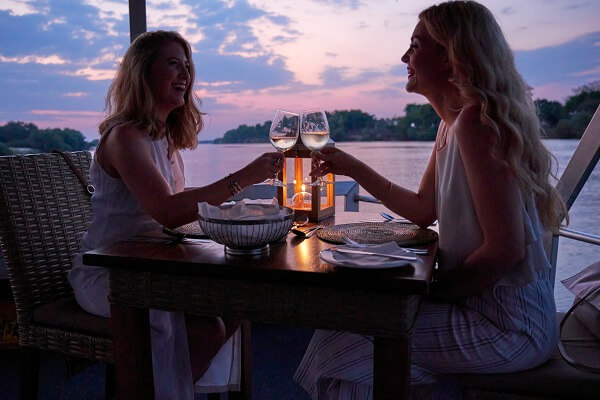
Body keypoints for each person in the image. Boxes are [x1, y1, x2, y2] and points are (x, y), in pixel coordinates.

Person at [293, 1, 568, 399]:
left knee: (346, 340)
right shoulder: (453, 122)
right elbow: (424, 209)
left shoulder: (476, 124)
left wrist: (431, 291)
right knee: (343, 331)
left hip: (509, 326)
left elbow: (504, 249)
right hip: (484, 310)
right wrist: (352, 166)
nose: (404, 57)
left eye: (416, 46)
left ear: (451, 56)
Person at [67, 30, 283, 399]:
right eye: (172, 64)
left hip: (152, 264)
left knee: (235, 305)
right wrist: (245, 177)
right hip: (112, 274)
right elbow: (168, 212)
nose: (185, 73)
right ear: (143, 72)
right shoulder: (125, 138)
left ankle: (165, 388)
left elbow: (178, 216)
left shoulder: (163, 139)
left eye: (187, 65)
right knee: (207, 328)